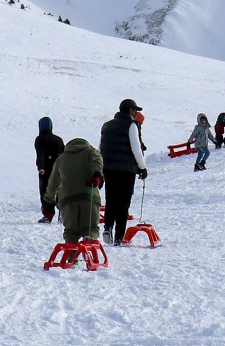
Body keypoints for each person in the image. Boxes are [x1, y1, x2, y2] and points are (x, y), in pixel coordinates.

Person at [99, 98, 148, 244]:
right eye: (135, 110)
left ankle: (108, 228)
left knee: (111, 198)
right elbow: (136, 148)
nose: (136, 113)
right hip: (126, 169)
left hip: (108, 168)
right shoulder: (131, 125)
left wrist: (100, 168)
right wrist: (142, 167)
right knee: (123, 201)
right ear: (129, 110)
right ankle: (119, 237)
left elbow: (100, 147)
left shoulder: (106, 126)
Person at [43, 136, 105, 245]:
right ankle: (89, 244)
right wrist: (97, 175)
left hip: (67, 200)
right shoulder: (91, 151)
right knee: (91, 227)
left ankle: (72, 257)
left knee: (71, 231)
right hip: (88, 195)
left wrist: (49, 201)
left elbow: (53, 183)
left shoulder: (61, 159)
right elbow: (96, 162)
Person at [35, 117, 65, 222]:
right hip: (59, 169)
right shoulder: (58, 139)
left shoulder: (39, 139)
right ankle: (62, 212)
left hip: (46, 170)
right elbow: (64, 153)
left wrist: (41, 167)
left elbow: (40, 154)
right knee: (59, 190)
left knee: (46, 192)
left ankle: (48, 214)